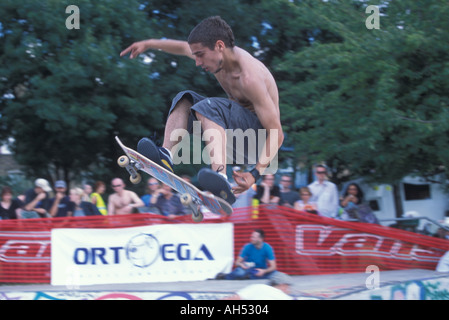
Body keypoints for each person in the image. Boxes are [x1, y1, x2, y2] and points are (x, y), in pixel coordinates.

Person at [121, 16, 284, 202]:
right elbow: (182, 47)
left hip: (259, 143)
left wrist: (255, 174)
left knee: (209, 107)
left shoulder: (249, 78)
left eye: (200, 55)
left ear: (220, 46)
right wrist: (148, 44)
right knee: (185, 99)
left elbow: (277, 134)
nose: (198, 62)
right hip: (236, 139)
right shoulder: (215, 55)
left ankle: (220, 178)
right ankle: (165, 156)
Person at [222, 272, 293, 300]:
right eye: (288, 287)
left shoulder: (256, 287)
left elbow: (234, 298)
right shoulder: (285, 297)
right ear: (283, 285)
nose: (288, 290)